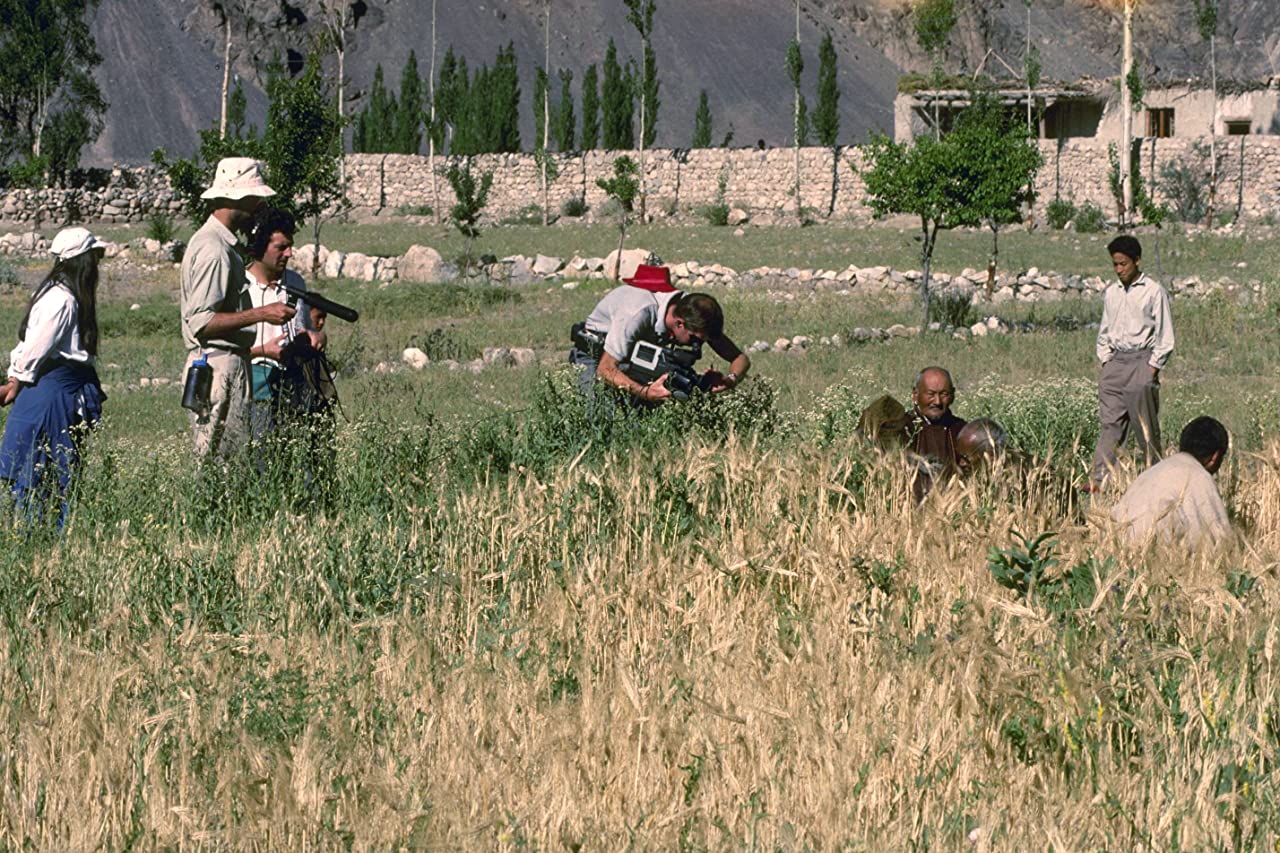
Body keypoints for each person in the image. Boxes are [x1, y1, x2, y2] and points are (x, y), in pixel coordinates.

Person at [180, 157, 295, 460]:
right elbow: (202, 322)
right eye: (255, 198)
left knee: (227, 464)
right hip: (218, 364)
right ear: (239, 198)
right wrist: (262, 313)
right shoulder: (214, 249)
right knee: (217, 466)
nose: (258, 206)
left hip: (223, 361)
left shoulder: (221, 245)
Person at [0, 227, 108, 524]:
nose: (97, 267)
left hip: (55, 391)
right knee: (42, 472)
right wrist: (15, 381)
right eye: (94, 258)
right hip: (52, 396)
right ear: (83, 262)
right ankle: (40, 542)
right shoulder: (61, 300)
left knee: (48, 472)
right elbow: (35, 346)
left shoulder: (62, 295)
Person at [569, 264, 749, 406]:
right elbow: (606, 369)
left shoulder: (693, 311)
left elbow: (739, 358)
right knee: (600, 416)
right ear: (679, 323)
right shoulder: (638, 313)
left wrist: (730, 379)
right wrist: (646, 393)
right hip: (596, 355)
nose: (697, 347)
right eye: (695, 340)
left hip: (634, 358)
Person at [1088, 235, 1174, 489]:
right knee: (1110, 426)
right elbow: (1105, 329)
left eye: (1123, 264)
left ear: (1136, 261)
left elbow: (1165, 335)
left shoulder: (1153, 291)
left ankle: (1156, 481)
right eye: (1114, 264)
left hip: (1141, 361)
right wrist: (1106, 362)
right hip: (1115, 363)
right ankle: (1098, 481)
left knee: (1145, 429)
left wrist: (1151, 369)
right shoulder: (1112, 293)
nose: (1118, 270)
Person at [244, 206, 327, 445]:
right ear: (259, 247)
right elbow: (226, 350)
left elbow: (304, 328)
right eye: (281, 248)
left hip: (296, 387)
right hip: (257, 389)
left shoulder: (296, 282)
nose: (289, 253)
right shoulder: (239, 287)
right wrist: (262, 351)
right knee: (263, 460)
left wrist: (315, 338)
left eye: (290, 246)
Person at [1110, 416, 1231, 548]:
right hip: (1157, 556)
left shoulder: (1149, 473)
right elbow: (1222, 540)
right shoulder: (1200, 477)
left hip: (1118, 550)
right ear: (1215, 456)